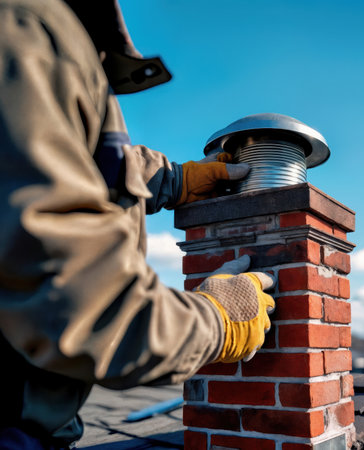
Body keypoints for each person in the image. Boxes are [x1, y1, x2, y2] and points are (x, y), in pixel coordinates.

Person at [0, 0, 276, 448]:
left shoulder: (48, 31)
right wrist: (219, 320)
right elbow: (84, 308)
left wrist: (177, 179)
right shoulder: (24, 26)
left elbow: (89, 162)